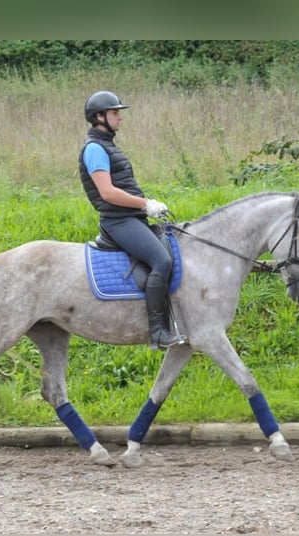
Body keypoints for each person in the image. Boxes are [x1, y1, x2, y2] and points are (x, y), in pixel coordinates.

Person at [78, 90, 186, 349]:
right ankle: (158, 332)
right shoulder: (94, 149)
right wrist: (145, 204)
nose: (119, 117)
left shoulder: (108, 145)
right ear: (100, 117)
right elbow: (108, 192)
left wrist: (144, 207)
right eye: (115, 112)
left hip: (131, 217)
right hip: (118, 221)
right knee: (161, 260)